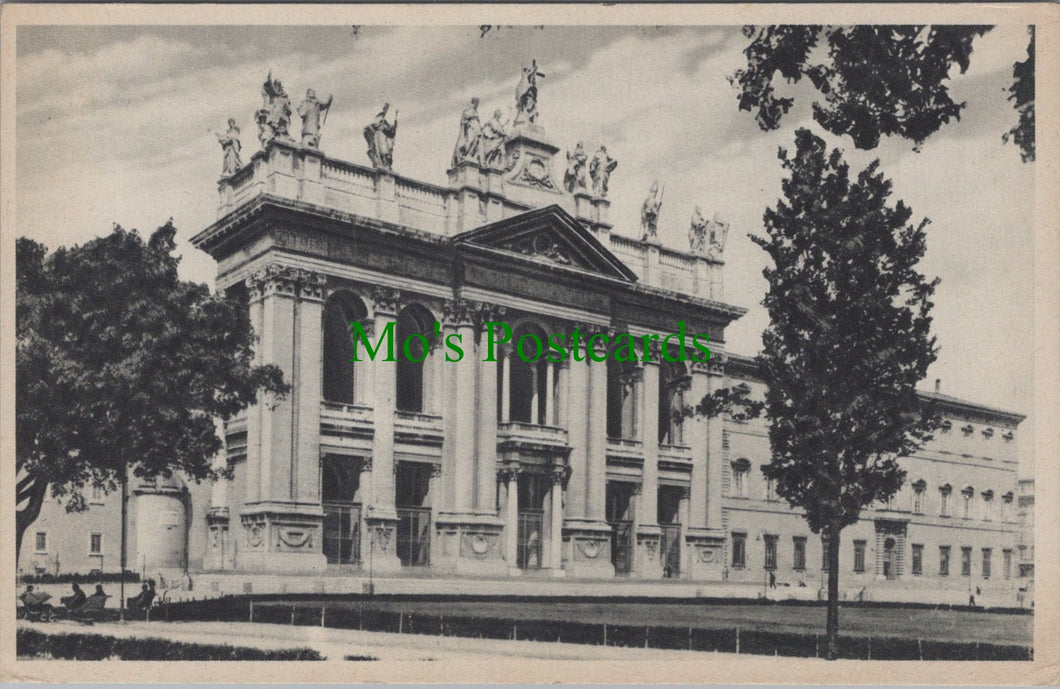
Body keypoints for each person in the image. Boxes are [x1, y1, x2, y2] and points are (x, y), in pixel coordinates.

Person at [364, 103, 398, 170]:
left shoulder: (382, 122)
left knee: (380, 150)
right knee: (378, 150)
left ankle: (381, 164)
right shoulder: (380, 121)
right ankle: (380, 164)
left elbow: (391, 130)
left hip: (373, 132)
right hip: (374, 133)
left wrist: (395, 118)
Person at [451, 98, 481, 168]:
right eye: (476, 102)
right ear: (473, 102)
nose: (477, 104)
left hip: (477, 128)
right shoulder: (468, 110)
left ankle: (470, 155)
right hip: (470, 127)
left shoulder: (476, 111)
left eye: (478, 103)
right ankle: (464, 153)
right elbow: (464, 119)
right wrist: (468, 121)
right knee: (470, 140)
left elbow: (477, 121)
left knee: (476, 141)